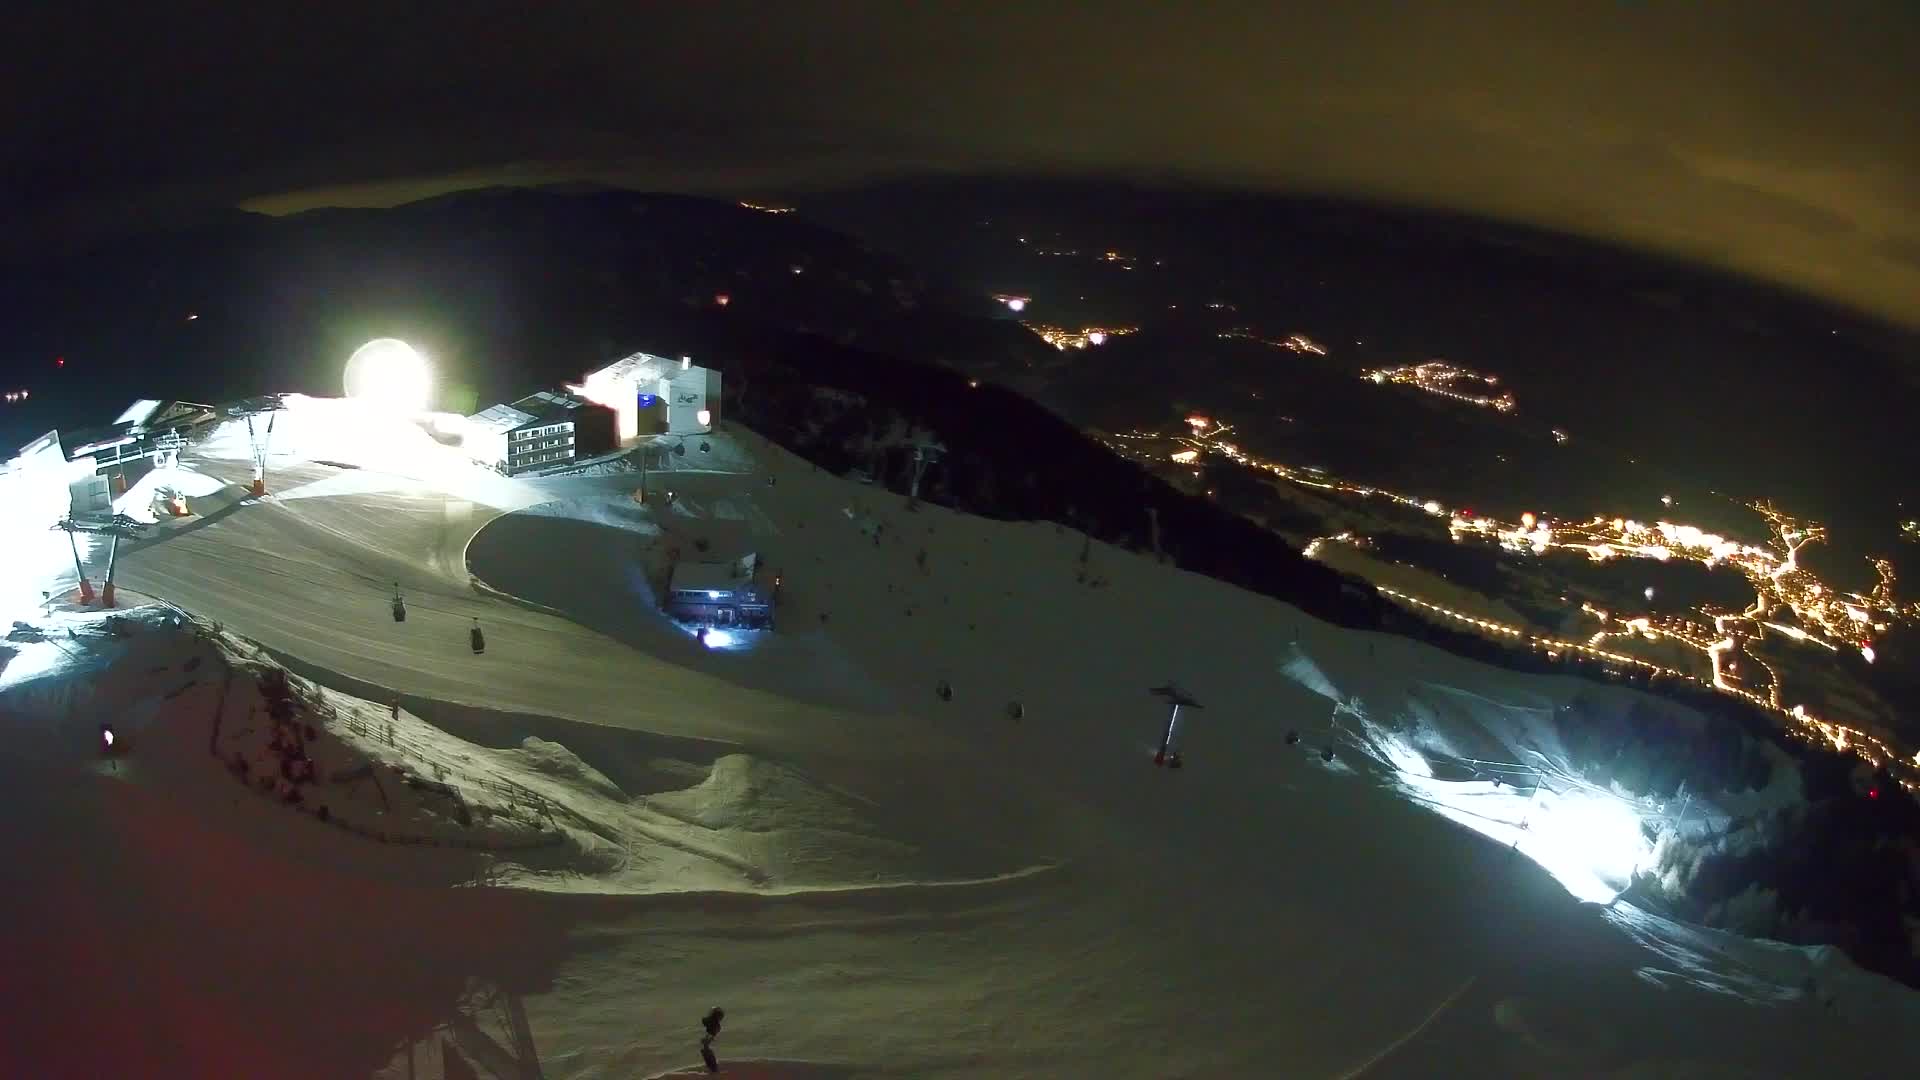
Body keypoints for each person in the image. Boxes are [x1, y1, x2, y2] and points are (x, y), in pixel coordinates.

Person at [700, 1006, 725, 1073]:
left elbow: (711, 1033)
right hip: (709, 1037)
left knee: (706, 1051)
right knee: (705, 1050)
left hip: (708, 1038)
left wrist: (706, 1039)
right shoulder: (715, 1024)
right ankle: (712, 1068)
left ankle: (713, 1068)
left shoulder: (711, 1023)